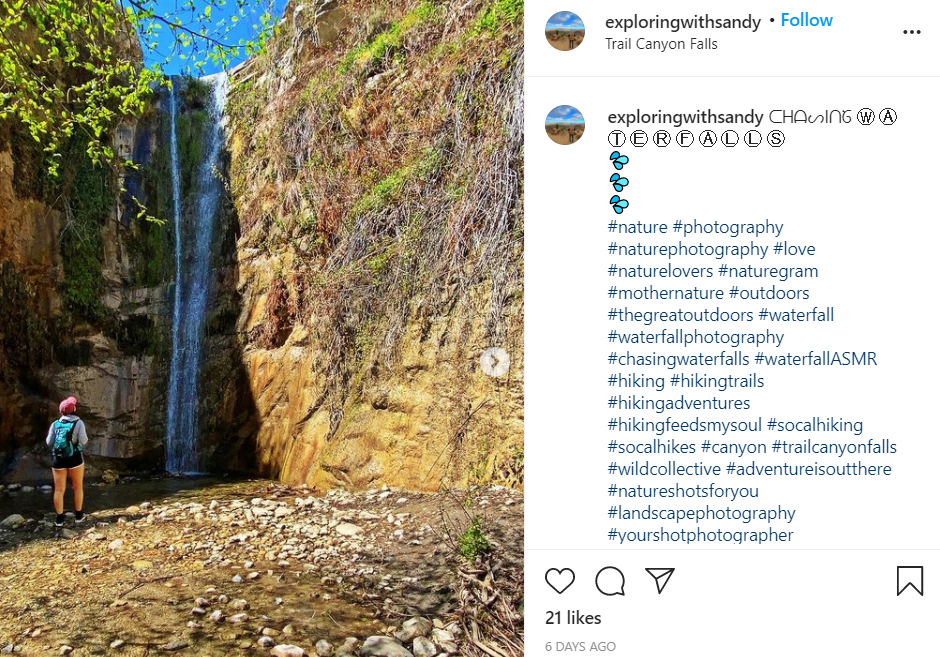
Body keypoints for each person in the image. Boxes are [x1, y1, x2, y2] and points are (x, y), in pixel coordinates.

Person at [46, 396, 88, 528]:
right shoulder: (79, 423)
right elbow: (84, 441)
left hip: (58, 460)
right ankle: (79, 516)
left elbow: (49, 442)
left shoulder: (55, 424)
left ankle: (59, 520)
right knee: (77, 487)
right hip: (75, 458)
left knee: (59, 490)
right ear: (74, 409)